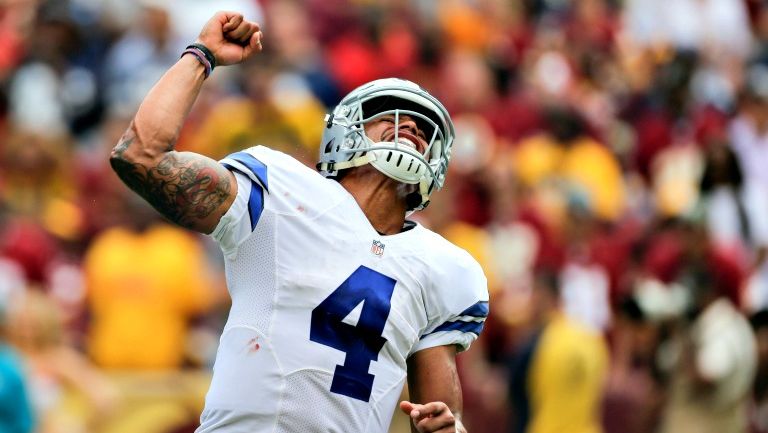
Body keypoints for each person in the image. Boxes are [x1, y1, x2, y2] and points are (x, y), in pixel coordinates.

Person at [109, 11, 489, 433]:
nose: (413, 128)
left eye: (424, 129)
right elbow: (140, 156)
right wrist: (201, 55)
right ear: (344, 134)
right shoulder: (280, 189)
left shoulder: (444, 267)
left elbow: (440, 417)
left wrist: (446, 429)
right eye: (390, 115)